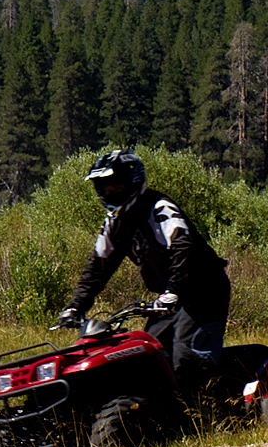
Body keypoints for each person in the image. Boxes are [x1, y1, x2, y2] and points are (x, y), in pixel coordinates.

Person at [56, 149, 231, 391]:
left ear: (133, 182)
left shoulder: (158, 207)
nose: (109, 192)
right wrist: (76, 306)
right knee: (150, 353)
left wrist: (173, 290)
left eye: (115, 186)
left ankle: (214, 419)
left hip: (204, 290)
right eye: (103, 187)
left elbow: (183, 245)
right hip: (170, 298)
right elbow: (97, 267)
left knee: (187, 356)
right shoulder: (114, 223)